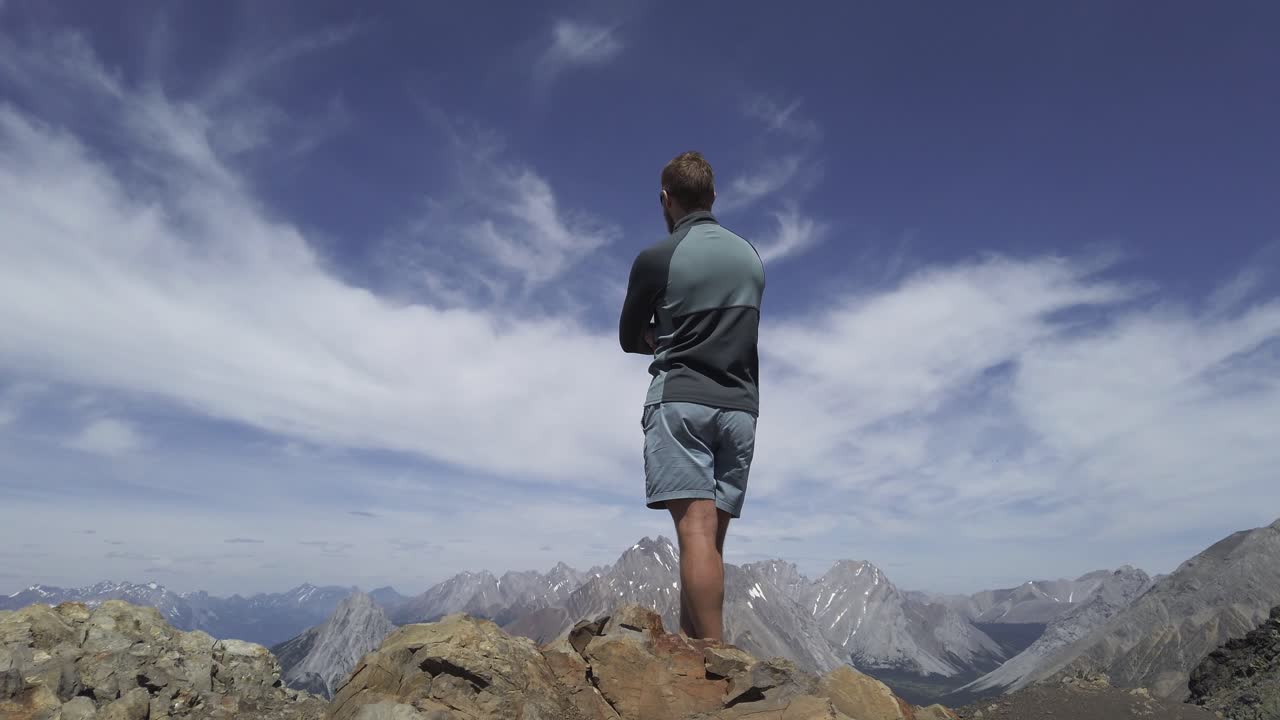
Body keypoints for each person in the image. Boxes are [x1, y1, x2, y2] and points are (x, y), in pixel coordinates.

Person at [618, 150, 765, 642]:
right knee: (711, 543)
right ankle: (695, 652)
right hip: (741, 408)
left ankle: (717, 659)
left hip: (682, 401)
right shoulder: (750, 256)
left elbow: (627, 336)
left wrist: (658, 336)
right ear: (714, 196)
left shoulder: (658, 258)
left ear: (666, 199)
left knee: (694, 535)